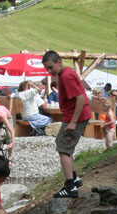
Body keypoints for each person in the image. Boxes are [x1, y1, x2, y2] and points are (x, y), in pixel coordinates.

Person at [41, 50, 91, 198]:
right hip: (74, 116)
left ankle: (70, 187)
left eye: (51, 67)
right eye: (47, 69)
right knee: (64, 146)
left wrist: (73, 122)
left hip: (75, 117)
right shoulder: (67, 72)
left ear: (59, 62)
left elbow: (80, 99)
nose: (49, 72)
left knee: (63, 149)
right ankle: (74, 178)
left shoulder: (66, 76)